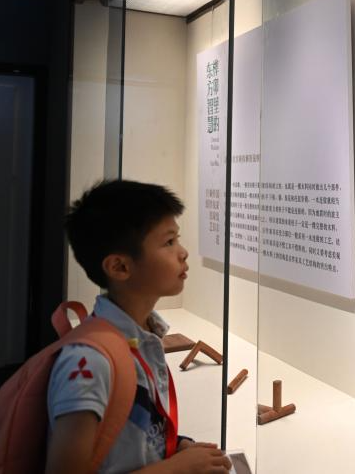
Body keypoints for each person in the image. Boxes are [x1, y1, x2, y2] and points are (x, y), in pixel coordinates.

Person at [46, 180, 231, 474]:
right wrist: (175, 469)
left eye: (177, 239)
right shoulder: (89, 363)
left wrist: (176, 446)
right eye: (168, 242)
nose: (183, 252)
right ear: (119, 267)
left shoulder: (140, 336)